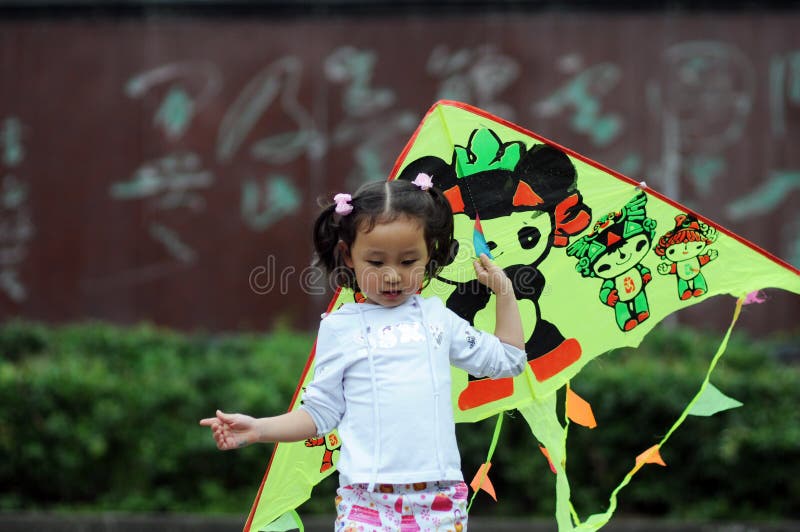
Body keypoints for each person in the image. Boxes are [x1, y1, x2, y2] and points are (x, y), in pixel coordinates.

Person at [200, 175, 526, 531]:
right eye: (376, 262)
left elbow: (508, 359)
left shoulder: (437, 320)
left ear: (430, 253)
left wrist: (504, 291)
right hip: (365, 501)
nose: (392, 276)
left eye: (407, 261)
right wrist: (259, 429)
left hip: (440, 499)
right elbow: (320, 414)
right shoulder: (340, 328)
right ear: (348, 256)